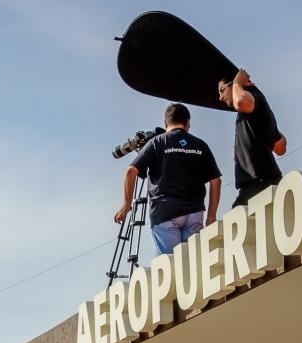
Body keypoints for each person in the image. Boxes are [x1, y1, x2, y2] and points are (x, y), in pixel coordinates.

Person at [116, 103, 222, 255]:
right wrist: (211, 216)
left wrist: (127, 204)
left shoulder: (157, 142)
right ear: (188, 122)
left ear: (165, 123)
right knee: (193, 261)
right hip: (194, 212)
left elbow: (131, 171)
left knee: (171, 263)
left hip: (165, 212)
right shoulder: (200, 145)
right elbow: (216, 180)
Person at [217, 69, 287, 208]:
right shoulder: (258, 110)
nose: (220, 97)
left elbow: (241, 102)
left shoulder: (253, 98)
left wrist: (237, 82)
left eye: (222, 90)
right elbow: (281, 148)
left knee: (238, 218)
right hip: (259, 182)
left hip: (259, 183)